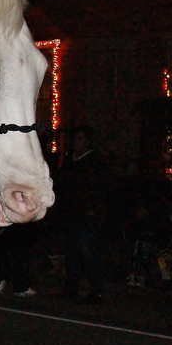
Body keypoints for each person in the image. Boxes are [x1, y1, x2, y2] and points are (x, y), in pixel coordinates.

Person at [53, 125, 108, 304]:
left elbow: (101, 189)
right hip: (70, 213)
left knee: (88, 252)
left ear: (87, 141)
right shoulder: (70, 161)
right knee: (71, 253)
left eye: (80, 139)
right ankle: (71, 287)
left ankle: (96, 290)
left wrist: (94, 210)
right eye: (75, 139)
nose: (76, 143)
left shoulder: (94, 162)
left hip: (85, 215)